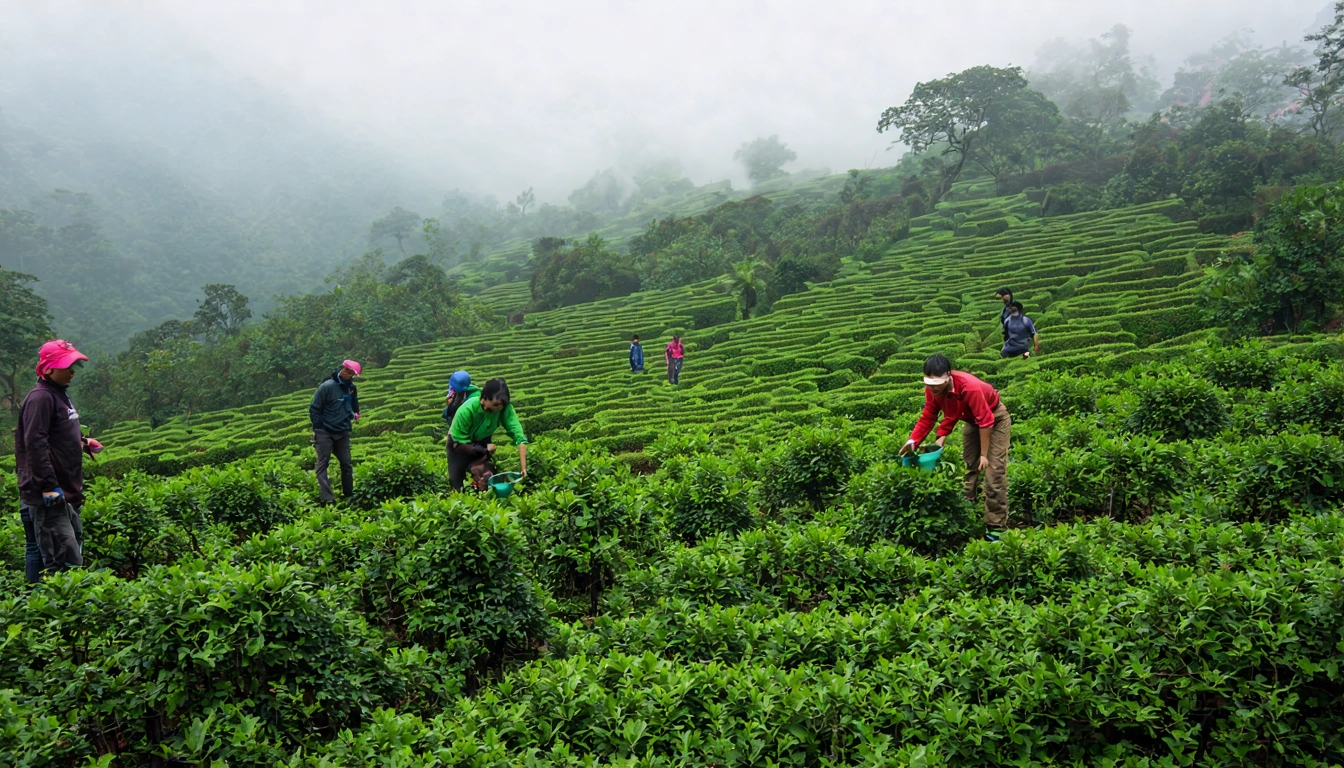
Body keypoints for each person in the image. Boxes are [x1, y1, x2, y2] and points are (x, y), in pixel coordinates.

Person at [898, 353, 1012, 541]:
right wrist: (912, 442)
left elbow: (985, 421)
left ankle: (996, 525)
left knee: (994, 471)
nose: (933, 388)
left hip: (995, 418)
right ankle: (968, 506)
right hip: (971, 420)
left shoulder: (969, 387)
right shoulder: (933, 390)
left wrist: (984, 454)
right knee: (970, 464)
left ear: (948, 376)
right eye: (929, 384)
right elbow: (929, 416)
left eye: (937, 384)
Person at [16, 340, 102, 582]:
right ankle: (49, 601)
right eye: (67, 366)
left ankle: (37, 598)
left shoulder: (58, 393)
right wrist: (49, 487)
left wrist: (82, 442)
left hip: (65, 489)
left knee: (59, 548)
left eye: (74, 365)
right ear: (49, 368)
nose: (72, 371)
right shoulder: (41, 398)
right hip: (52, 493)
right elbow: (35, 444)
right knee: (62, 559)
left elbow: (56, 433)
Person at [447, 378, 528, 491]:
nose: (485, 409)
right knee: (458, 486)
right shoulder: (467, 410)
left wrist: (524, 468)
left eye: (490, 409)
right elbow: (458, 445)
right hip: (459, 446)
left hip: (482, 441)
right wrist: (484, 449)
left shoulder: (505, 410)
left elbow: (519, 437)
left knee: (487, 479)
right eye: (483, 405)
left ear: (502, 405)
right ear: (482, 397)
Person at [309, 359, 361, 505]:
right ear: (342, 369)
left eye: (351, 373)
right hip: (325, 431)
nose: (347, 374)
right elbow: (314, 408)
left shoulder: (351, 388)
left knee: (346, 463)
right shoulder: (327, 386)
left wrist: (355, 413)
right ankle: (328, 499)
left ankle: (349, 495)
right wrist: (319, 428)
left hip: (343, 431)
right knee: (323, 464)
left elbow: (354, 404)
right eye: (346, 370)